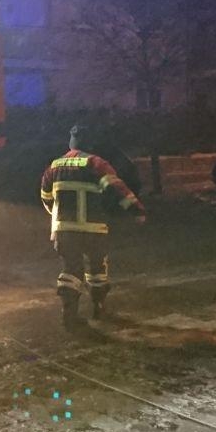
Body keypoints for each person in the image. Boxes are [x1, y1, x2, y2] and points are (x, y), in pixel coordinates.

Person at [41, 124, 146, 332]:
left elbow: (46, 196)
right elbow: (117, 188)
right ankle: (98, 308)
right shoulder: (96, 163)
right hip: (93, 228)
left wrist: (58, 217)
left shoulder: (54, 166)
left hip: (64, 230)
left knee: (70, 270)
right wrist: (136, 210)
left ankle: (69, 314)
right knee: (97, 270)